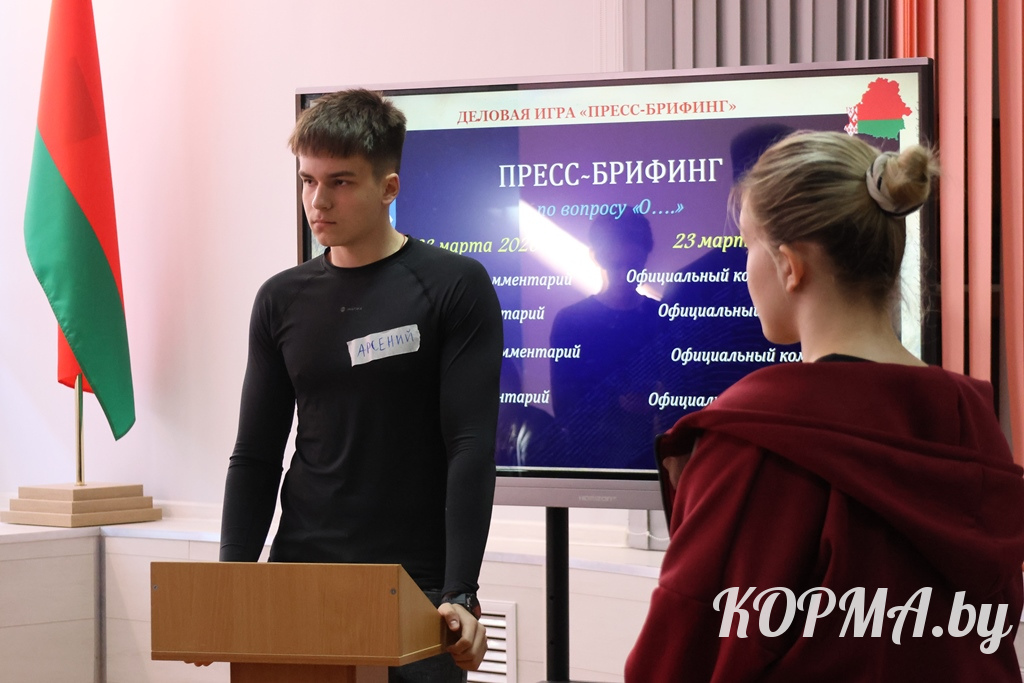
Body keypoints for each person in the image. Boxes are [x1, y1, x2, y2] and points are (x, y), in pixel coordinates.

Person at [626, 131, 1024, 681]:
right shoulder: (974, 425)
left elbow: (675, 660)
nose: (744, 268)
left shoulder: (751, 446)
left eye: (747, 245)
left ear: (790, 266)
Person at [218, 89, 503, 682]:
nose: (317, 201)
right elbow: (255, 456)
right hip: (300, 574)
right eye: (307, 180)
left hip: (416, 586)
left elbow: (470, 447)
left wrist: (461, 590)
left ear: (389, 187)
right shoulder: (280, 298)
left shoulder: (454, 285)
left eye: (341, 182)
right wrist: (229, 588)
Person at [547, 212, 671, 469]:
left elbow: (683, 392)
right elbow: (565, 408)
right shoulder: (570, 322)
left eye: (634, 266)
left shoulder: (663, 317)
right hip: (593, 466)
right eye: (617, 265)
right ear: (596, 257)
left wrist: (657, 400)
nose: (626, 275)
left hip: (655, 461)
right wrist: (623, 405)